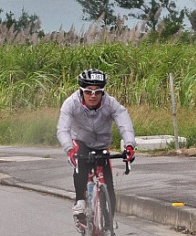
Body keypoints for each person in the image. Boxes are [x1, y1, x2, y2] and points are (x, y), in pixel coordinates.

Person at [56, 68, 136, 218]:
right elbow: (62, 130)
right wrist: (69, 149)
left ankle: (109, 228)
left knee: (109, 190)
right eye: (88, 91)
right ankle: (80, 201)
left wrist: (129, 145)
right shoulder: (71, 103)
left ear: (103, 92)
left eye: (97, 92)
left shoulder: (110, 103)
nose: (93, 95)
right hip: (81, 141)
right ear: (81, 90)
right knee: (80, 161)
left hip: (101, 144)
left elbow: (124, 123)